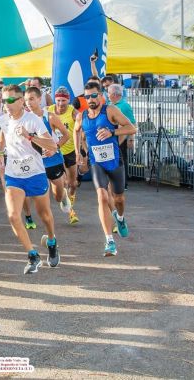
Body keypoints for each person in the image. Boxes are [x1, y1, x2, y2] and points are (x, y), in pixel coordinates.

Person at [0, 85, 60, 275]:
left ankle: (51, 241)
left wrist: (29, 136)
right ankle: (32, 255)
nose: (6, 104)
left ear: (20, 101)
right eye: (4, 100)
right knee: (13, 216)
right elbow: (3, 134)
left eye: (10, 100)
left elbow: (52, 145)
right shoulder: (3, 119)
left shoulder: (33, 120)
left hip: (35, 173)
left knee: (45, 215)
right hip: (14, 175)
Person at [76, 81, 136, 256]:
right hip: (97, 162)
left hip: (114, 161)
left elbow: (131, 128)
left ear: (101, 95)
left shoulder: (110, 111)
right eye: (87, 97)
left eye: (94, 95)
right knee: (102, 197)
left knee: (119, 199)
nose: (90, 99)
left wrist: (112, 132)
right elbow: (76, 130)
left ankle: (120, 218)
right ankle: (109, 241)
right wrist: (80, 153)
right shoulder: (82, 116)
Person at [25, 87, 72, 215]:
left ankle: (63, 196)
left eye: (31, 99)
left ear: (39, 99)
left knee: (57, 196)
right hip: (36, 162)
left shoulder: (49, 117)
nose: (28, 103)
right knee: (41, 195)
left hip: (52, 160)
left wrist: (55, 148)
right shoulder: (24, 119)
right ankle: (47, 220)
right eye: (26, 100)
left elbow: (66, 135)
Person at [47, 86, 80, 225]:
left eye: (63, 101)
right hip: (56, 152)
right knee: (64, 183)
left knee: (73, 184)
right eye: (58, 100)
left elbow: (80, 130)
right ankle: (71, 212)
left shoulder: (73, 112)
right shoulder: (48, 111)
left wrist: (82, 151)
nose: (60, 104)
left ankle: (69, 202)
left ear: (68, 100)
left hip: (70, 151)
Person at [108, 83, 137, 180]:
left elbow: (133, 124)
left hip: (121, 138)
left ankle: (123, 182)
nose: (108, 95)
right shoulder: (111, 105)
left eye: (109, 93)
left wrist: (131, 139)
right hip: (114, 137)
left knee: (122, 160)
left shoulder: (124, 106)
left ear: (114, 95)